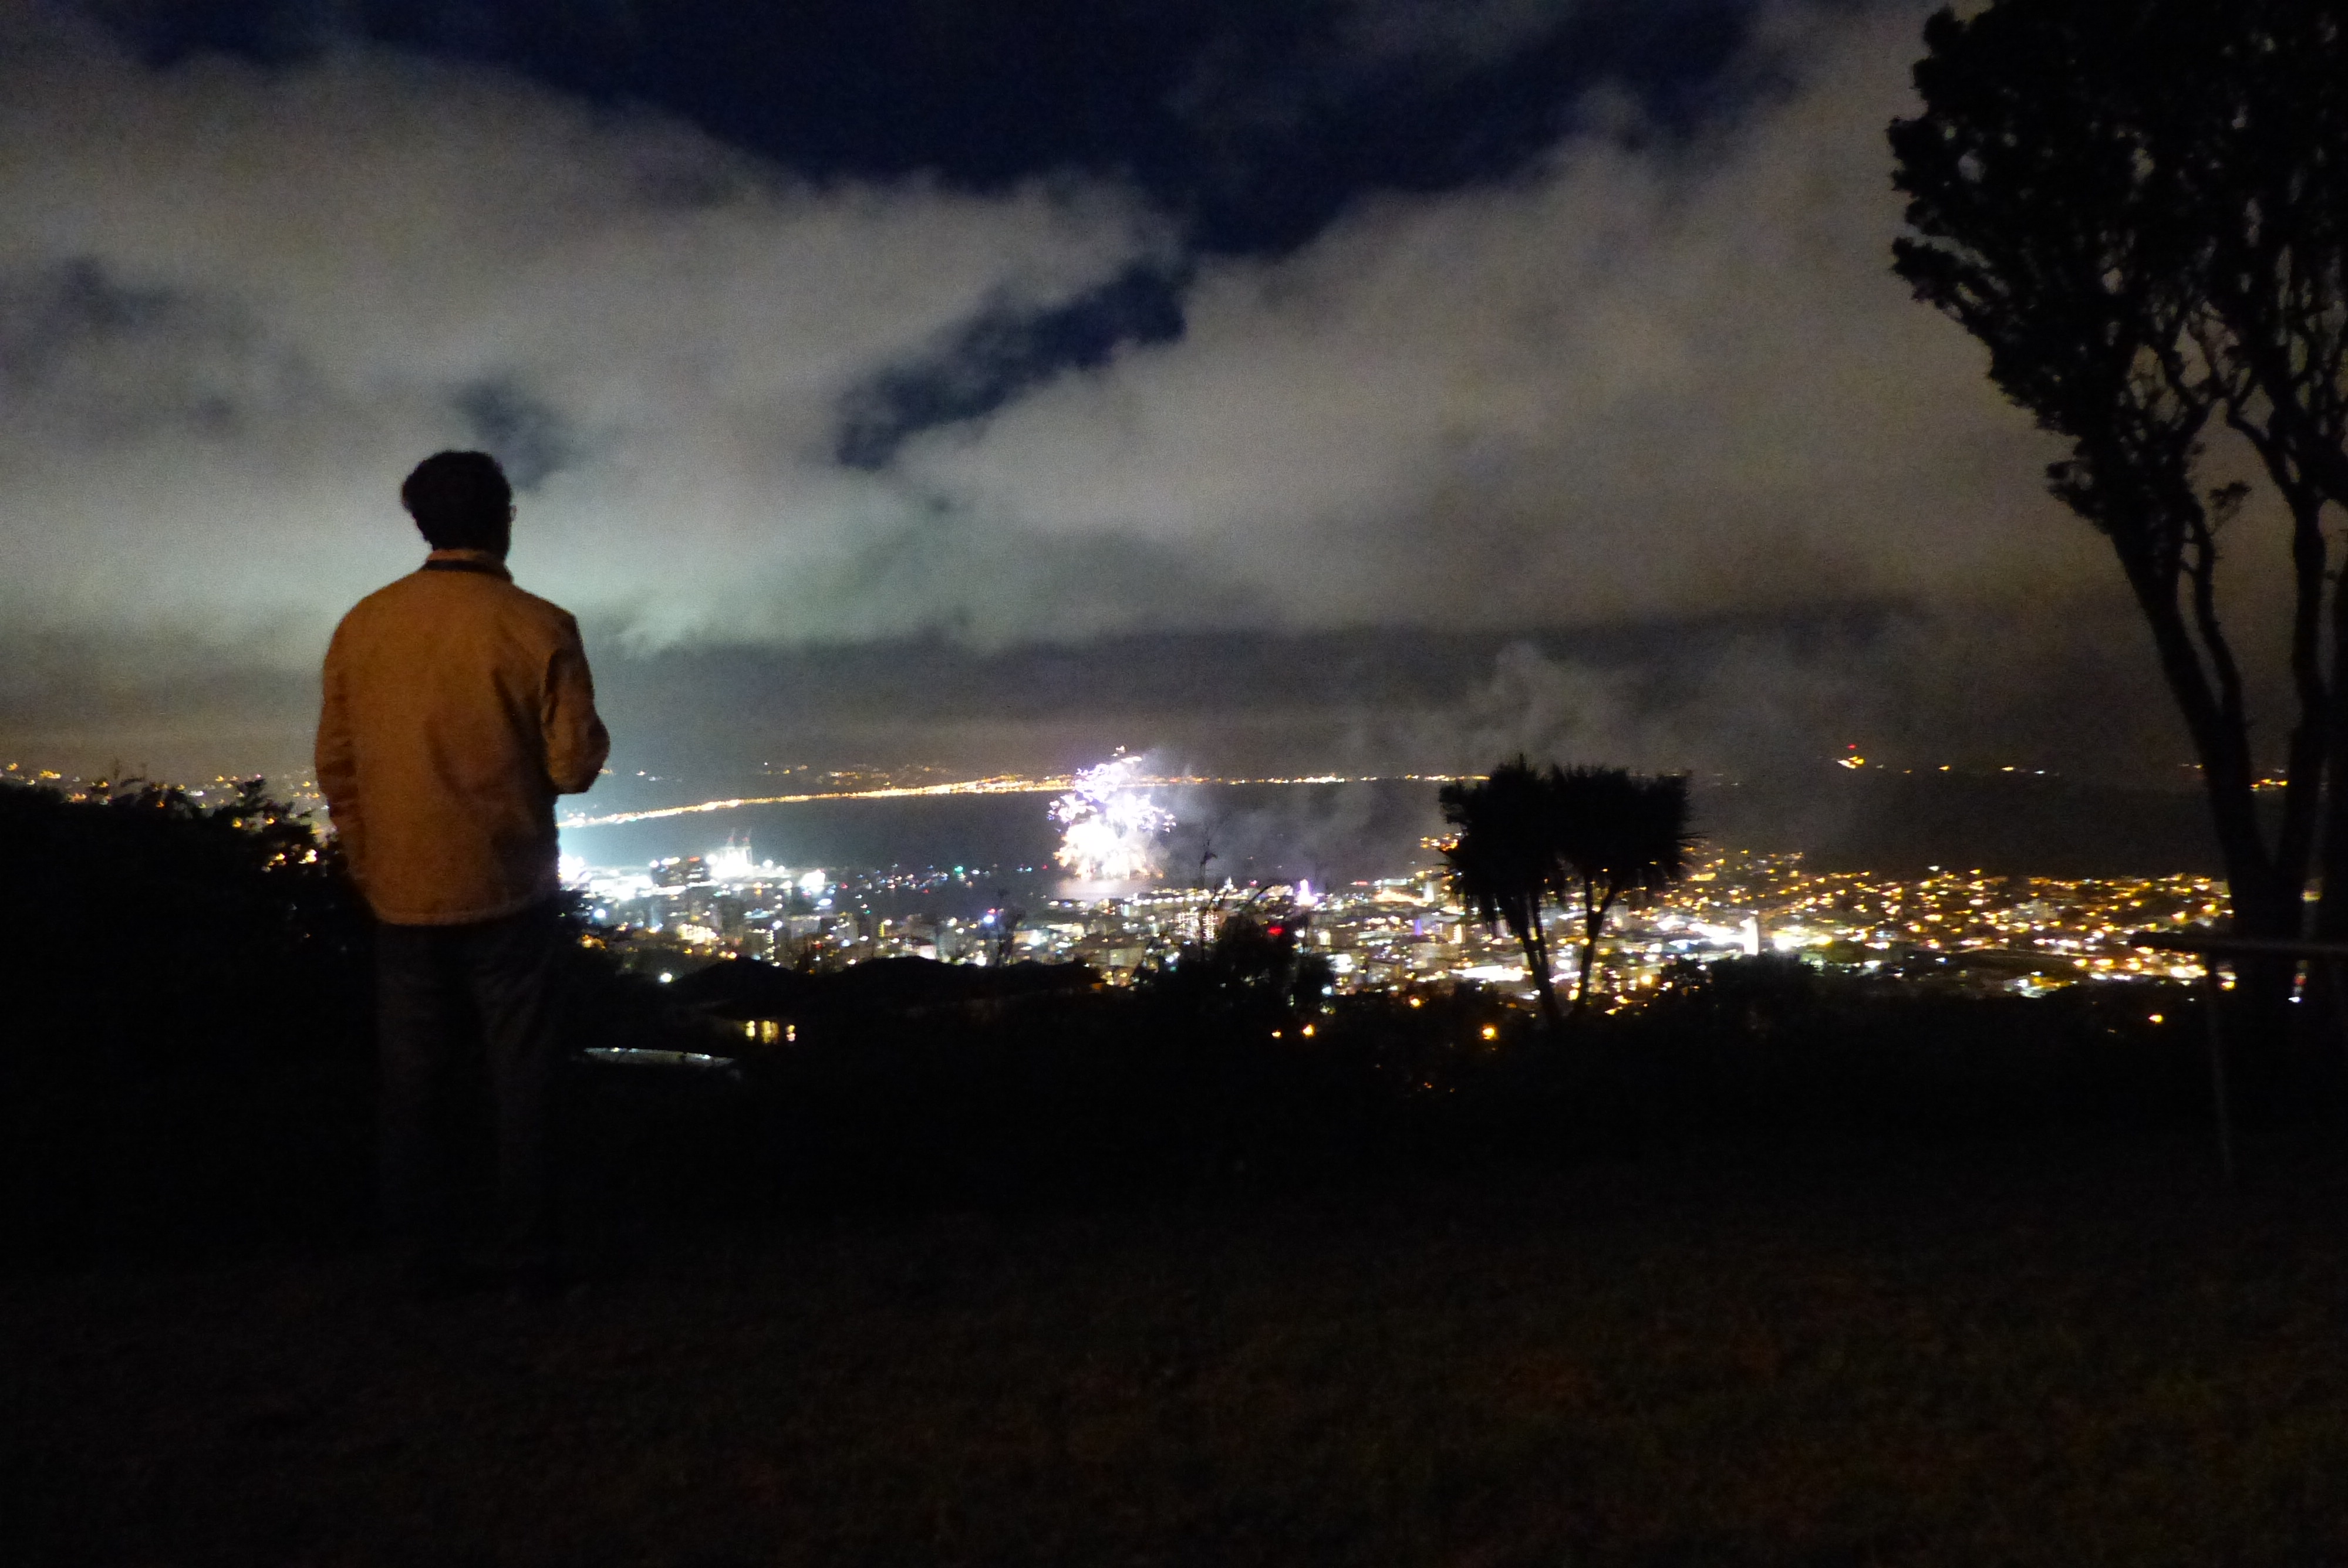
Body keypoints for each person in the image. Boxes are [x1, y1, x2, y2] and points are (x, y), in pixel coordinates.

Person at [315, 450, 610, 1286]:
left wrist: (368, 860)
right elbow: (572, 769)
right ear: (505, 516)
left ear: (420, 522)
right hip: (509, 884)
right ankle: (528, 1248)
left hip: (401, 889)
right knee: (523, 1073)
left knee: (412, 1079)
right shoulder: (540, 625)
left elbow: (336, 762)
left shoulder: (363, 624)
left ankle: (417, 1255)